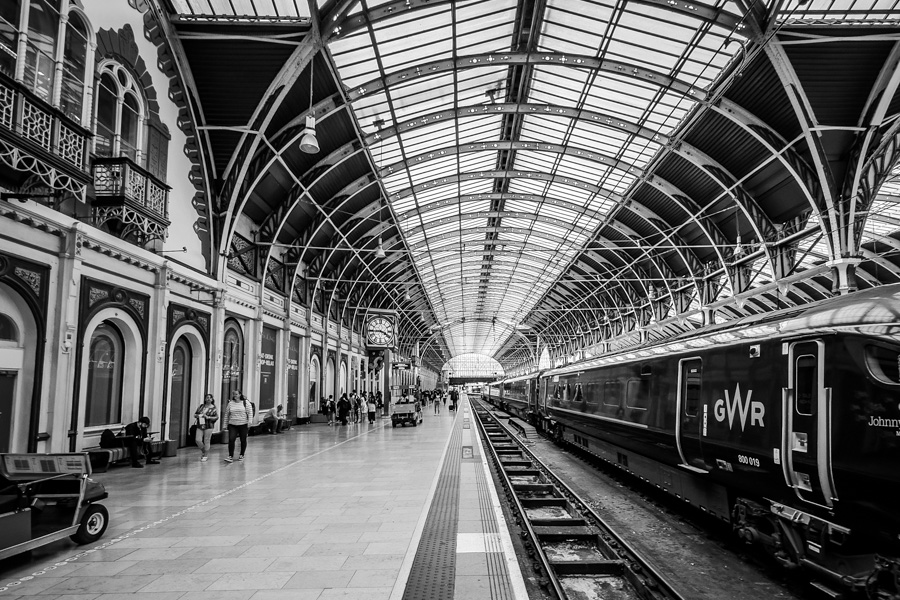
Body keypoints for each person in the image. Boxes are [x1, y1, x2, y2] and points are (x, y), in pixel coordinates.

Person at [222, 390, 253, 462]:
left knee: (243, 439)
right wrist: (225, 424)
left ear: (240, 394)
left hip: (243, 424)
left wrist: (249, 422)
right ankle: (230, 455)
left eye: (236, 394)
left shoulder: (246, 402)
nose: (234, 395)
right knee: (231, 439)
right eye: (233, 394)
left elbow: (250, 413)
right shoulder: (230, 403)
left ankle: (242, 454)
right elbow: (227, 414)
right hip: (232, 424)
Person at [194, 394, 219, 461]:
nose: (208, 399)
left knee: (207, 440)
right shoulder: (201, 406)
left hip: (209, 425)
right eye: (207, 397)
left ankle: (205, 455)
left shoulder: (213, 408)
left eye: (210, 398)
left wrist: (208, 417)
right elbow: (195, 414)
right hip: (200, 424)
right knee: (198, 440)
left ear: (212, 399)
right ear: (205, 399)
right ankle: (204, 451)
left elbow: (216, 417)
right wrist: (198, 415)